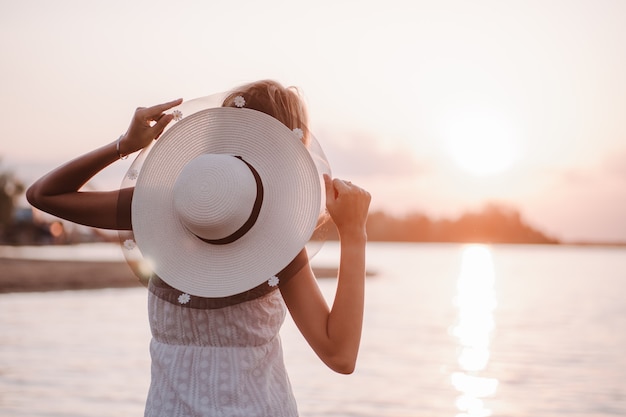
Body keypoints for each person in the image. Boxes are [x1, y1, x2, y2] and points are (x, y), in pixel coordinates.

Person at [26, 80, 371, 417]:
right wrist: (354, 232)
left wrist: (124, 145)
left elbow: (44, 195)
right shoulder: (275, 240)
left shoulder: (156, 208)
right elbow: (339, 356)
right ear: (284, 154)